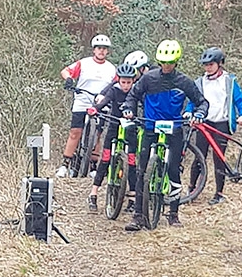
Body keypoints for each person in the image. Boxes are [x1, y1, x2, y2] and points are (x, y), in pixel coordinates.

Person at [122, 40, 207, 232]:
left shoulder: (184, 81)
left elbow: (201, 102)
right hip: (150, 128)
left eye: (170, 63)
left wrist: (199, 114)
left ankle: (173, 214)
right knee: (142, 170)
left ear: (176, 62)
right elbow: (132, 96)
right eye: (163, 62)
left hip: (175, 129)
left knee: (173, 170)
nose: (166, 66)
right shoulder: (148, 78)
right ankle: (138, 216)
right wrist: (129, 109)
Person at [86, 53, 147, 212]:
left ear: (134, 80)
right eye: (123, 82)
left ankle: (132, 198)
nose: (126, 85)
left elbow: (144, 106)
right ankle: (94, 193)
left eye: (129, 82)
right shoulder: (114, 90)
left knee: (132, 162)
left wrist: (144, 117)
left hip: (130, 128)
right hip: (114, 126)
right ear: (118, 80)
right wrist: (95, 109)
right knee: (105, 159)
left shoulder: (135, 91)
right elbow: (105, 101)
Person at [192, 47, 242, 204]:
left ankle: (219, 193)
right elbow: (193, 101)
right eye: (205, 65)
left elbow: (240, 100)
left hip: (221, 123)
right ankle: (191, 190)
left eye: (211, 64)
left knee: (219, 158)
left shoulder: (228, 81)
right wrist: (188, 112)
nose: (208, 67)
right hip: (204, 123)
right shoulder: (199, 82)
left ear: (219, 64)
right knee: (199, 155)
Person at [56, 34, 118, 177]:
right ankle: (65, 164)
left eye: (104, 49)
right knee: (75, 132)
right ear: (94, 50)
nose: (101, 51)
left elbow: (117, 83)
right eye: (99, 48)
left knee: (97, 134)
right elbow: (65, 71)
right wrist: (69, 79)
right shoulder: (84, 63)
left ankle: (93, 166)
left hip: (101, 103)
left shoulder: (111, 68)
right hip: (82, 100)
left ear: (107, 51)